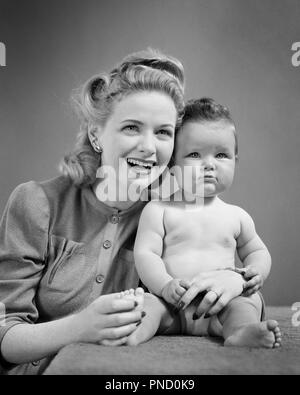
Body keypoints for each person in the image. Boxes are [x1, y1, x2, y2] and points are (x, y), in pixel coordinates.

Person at [0, 50, 248, 376]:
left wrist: (232, 279)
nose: (149, 146)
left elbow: (221, 302)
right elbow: (6, 333)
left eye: (163, 132)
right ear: (95, 134)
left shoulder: (168, 212)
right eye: (132, 128)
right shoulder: (37, 202)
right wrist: (79, 327)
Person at [133, 98, 282, 348]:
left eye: (222, 155)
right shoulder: (158, 210)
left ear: (236, 160)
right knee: (147, 305)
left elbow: (257, 251)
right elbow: (146, 254)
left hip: (220, 307)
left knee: (248, 302)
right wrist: (164, 285)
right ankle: (133, 333)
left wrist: (254, 274)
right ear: (172, 165)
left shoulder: (237, 216)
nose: (209, 165)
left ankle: (240, 332)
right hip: (172, 303)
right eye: (194, 154)